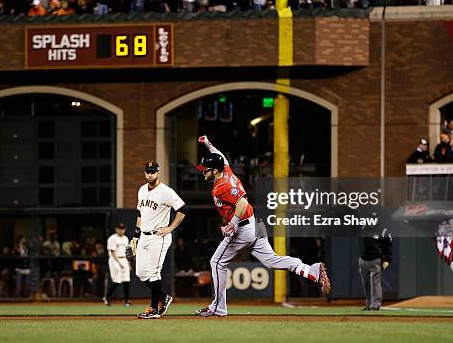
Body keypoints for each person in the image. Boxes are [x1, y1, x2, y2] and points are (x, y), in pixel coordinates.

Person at [195, 136, 330, 318]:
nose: (204, 173)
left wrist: (232, 225)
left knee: (216, 262)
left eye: (206, 170)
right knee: (272, 260)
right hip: (256, 224)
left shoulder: (222, 186)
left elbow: (242, 202)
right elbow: (219, 156)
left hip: (243, 229)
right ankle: (311, 271)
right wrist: (208, 144)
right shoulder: (225, 170)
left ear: (215, 170)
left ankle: (218, 307)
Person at [126, 161, 187, 319]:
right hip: (144, 237)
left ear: (158, 172)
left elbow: (182, 210)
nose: (150, 174)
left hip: (159, 237)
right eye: (148, 171)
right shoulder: (141, 190)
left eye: (153, 172)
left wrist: (170, 228)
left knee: (153, 273)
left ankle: (153, 309)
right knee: (140, 273)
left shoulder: (166, 191)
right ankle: (164, 297)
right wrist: (135, 236)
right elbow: (140, 214)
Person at [359, 226, 392, 311]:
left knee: (375, 283)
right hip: (363, 260)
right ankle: (369, 304)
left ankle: (375, 305)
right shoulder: (363, 229)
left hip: (375, 260)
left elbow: (388, 245)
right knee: (366, 283)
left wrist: (387, 259)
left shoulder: (383, 230)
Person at [103, 223, 131, 306]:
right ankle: (107, 298)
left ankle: (126, 301)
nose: (121, 230)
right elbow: (112, 251)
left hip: (124, 259)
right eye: (119, 228)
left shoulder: (126, 238)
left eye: (122, 228)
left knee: (126, 280)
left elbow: (127, 252)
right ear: (116, 229)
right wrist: (119, 263)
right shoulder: (112, 238)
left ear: (125, 229)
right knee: (117, 280)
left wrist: (128, 263)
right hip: (115, 259)